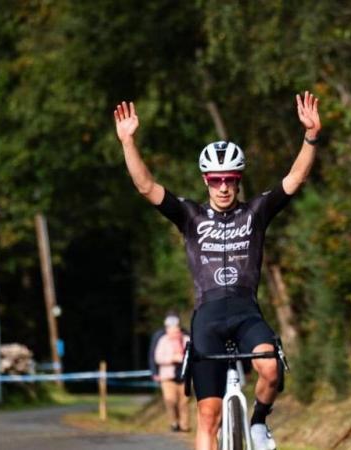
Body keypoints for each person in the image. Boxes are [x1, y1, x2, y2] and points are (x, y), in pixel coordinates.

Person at [114, 91, 321, 450]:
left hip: (245, 313)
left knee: (270, 368)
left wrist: (311, 136)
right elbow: (146, 187)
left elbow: (296, 178)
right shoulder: (190, 216)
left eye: (229, 179)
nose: (223, 187)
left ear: (238, 180)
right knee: (207, 416)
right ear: (205, 180)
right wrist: (128, 142)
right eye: (215, 180)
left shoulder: (254, 213)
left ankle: (257, 422)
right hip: (207, 317)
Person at [149, 314, 191, 432]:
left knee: (184, 402)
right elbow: (156, 357)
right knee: (170, 400)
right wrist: (172, 358)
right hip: (167, 376)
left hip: (184, 376)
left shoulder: (186, 339)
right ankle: (174, 422)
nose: (175, 333)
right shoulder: (162, 340)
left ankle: (185, 425)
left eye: (177, 330)